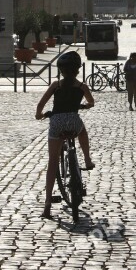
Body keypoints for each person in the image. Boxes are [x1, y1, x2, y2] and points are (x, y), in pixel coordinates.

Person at [35, 51, 95, 219]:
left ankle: (47, 205)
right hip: (73, 121)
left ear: (61, 71)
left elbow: (41, 103)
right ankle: (88, 159)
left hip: (57, 122)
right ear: (77, 70)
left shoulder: (56, 85)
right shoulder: (82, 86)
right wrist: (85, 106)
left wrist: (39, 114)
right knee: (82, 131)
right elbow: (91, 102)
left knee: (52, 161)